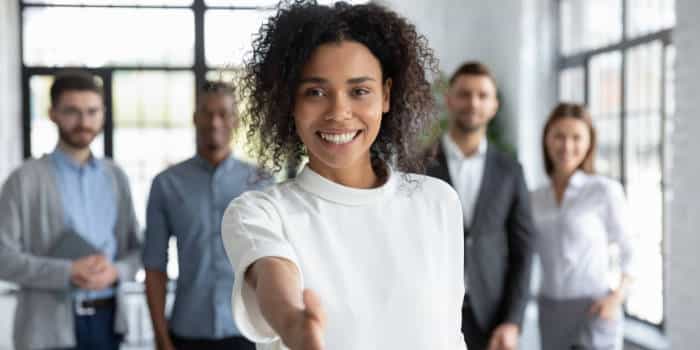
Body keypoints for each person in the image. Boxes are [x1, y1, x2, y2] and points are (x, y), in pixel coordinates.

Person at [220, 2, 466, 349]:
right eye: (316, 92)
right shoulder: (260, 213)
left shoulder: (439, 202)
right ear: (290, 101)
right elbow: (275, 278)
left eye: (359, 91)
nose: (339, 112)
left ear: (386, 95)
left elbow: (450, 334)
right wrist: (293, 324)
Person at [0, 71, 141, 350]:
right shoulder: (24, 180)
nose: (84, 122)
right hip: (46, 329)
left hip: (107, 323)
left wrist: (115, 272)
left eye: (92, 112)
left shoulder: (116, 177)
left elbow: (136, 251)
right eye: (72, 112)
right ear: (53, 113)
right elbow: (3, 257)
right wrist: (67, 271)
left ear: (103, 114)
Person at [143, 81, 270, 350]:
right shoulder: (166, 184)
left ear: (235, 120)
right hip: (188, 330)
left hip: (248, 331)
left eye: (223, 113)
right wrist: (160, 337)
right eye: (206, 113)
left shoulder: (261, 182)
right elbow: (155, 266)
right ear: (194, 118)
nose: (214, 122)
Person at [425, 61, 536, 350]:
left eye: (482, 95)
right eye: (464, 94)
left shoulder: (511, 170)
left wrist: (512, 321)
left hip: (494, 317)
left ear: (494, 105)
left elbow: (523, 250)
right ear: (449, 100)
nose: (473, 103)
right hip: (434, 312)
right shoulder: (419, 166)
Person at [531, 102, 636, 350]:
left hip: (595, 307)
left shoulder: (604, 191)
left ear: (590, 143)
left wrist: (616, 298)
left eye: (577, 137)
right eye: (559, 136)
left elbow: (631, 249)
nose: (567, 146)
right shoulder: (533, 197)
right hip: (550, 309)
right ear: (547, 139)